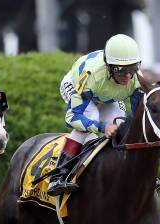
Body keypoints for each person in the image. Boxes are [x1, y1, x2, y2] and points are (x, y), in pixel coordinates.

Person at [48, 33, 144, 196]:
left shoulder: (136, 80)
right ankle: (59, 175)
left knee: (120, 125)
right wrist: (102, 126)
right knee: (90, 117)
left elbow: (137, 120)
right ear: (109, 67)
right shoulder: (92, 77)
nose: (128, 76)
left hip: (106, 95)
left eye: (133, 68)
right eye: (121, 70)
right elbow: (72, 118)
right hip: (77, 86)